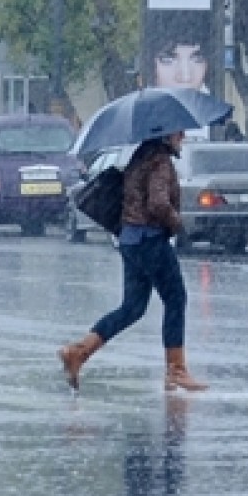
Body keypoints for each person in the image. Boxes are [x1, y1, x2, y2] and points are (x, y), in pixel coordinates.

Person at [57, 129, 208, 394]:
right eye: (178, 134)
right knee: (175, 299)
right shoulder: (160, 161)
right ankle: (176, 370)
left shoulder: (140, 156)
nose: (182, 138)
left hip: (130, 239)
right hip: (151, 240)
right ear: (166, 136)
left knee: (132, 308)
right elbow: (158, 204)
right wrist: (177, 224)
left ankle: (79, 353)